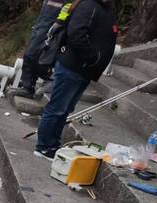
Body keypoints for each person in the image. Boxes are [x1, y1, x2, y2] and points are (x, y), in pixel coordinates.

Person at [34, 0, 117, 161]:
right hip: (73, 67)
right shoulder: (88, 5)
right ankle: (44, 146)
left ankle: (52, 143)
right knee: (57, 107)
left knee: (65, 109)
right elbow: (77, 33)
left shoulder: (105, 9)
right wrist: (93, 57)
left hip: (85, 70)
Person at [10, 1, 67, 99]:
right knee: (31, 55)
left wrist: (59, 22)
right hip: (42, 25)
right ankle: (28, 86)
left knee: (33, 56)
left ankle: (42, 82)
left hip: (50, 28)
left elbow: (67, 9)